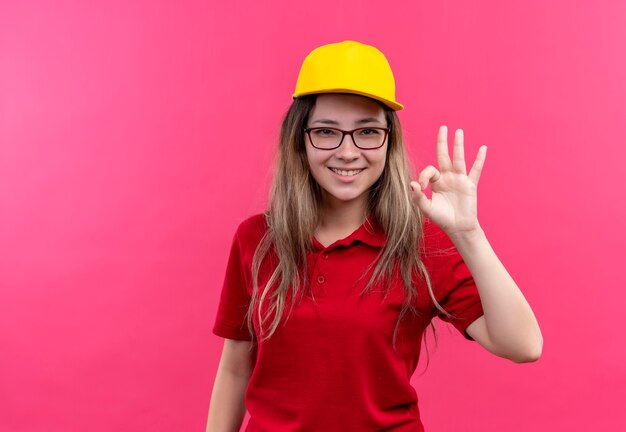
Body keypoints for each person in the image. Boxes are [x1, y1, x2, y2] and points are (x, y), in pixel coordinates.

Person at [206, 40, 543, 432]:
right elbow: (234, 368)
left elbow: (524, 345)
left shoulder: (420, 243)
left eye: (367, 131)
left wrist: (468, 233)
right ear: (300, 139)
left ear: (389, 140)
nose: (348, 152)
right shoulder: (256, 239)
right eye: (327, 131)